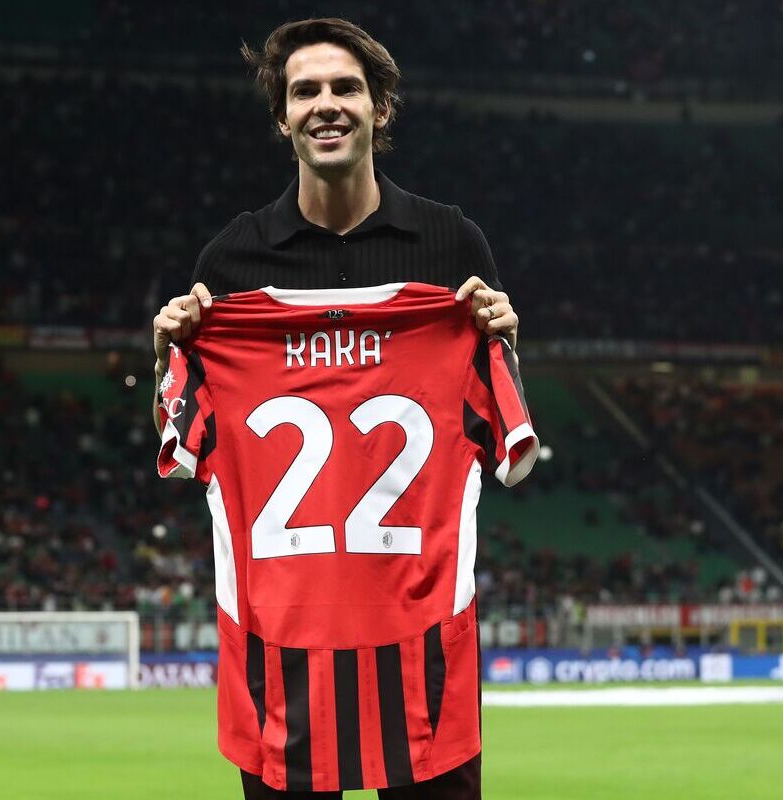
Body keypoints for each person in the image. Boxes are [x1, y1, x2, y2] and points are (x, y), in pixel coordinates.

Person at [152, 18, 523, 800]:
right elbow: (192, 447)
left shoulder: (452, 246)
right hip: (281, 653)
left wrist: (502, 344)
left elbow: (500, 451)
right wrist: (169, 360)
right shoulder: (232, 265)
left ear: (380, 108)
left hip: (421, 651)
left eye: (346, 88)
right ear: (282, 117)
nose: (327, 104)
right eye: (305, 91)